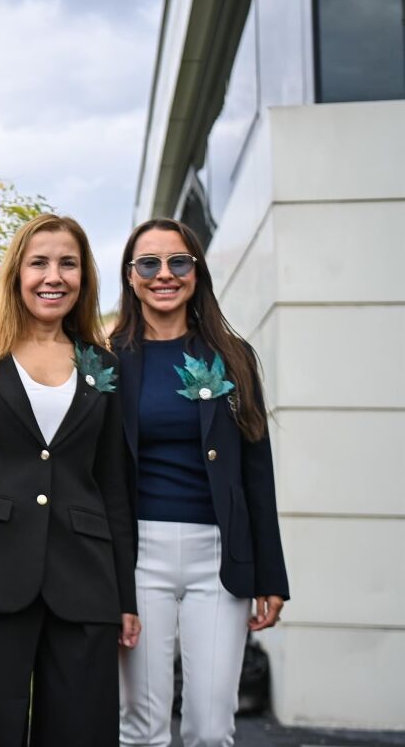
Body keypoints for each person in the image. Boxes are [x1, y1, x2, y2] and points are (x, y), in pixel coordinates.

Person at [0, 213, 140, 747]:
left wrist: (124, 595)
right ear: (17, 272)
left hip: (84, 582)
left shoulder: (103, 363)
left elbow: (113, 485)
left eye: (68, 264)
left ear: (84, 276)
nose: (53, 276)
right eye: (39, 263)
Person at [113, 218, 289, 747]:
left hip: (219, 558)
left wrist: (271, 575)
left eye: (179, 262)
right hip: (137, 557)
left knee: (212, 728)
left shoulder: (233, 357)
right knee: (141, 727)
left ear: (197, 271)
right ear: (131, 276)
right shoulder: (106, 360)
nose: (164, 274)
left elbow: (257, 470)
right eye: (149, 263)